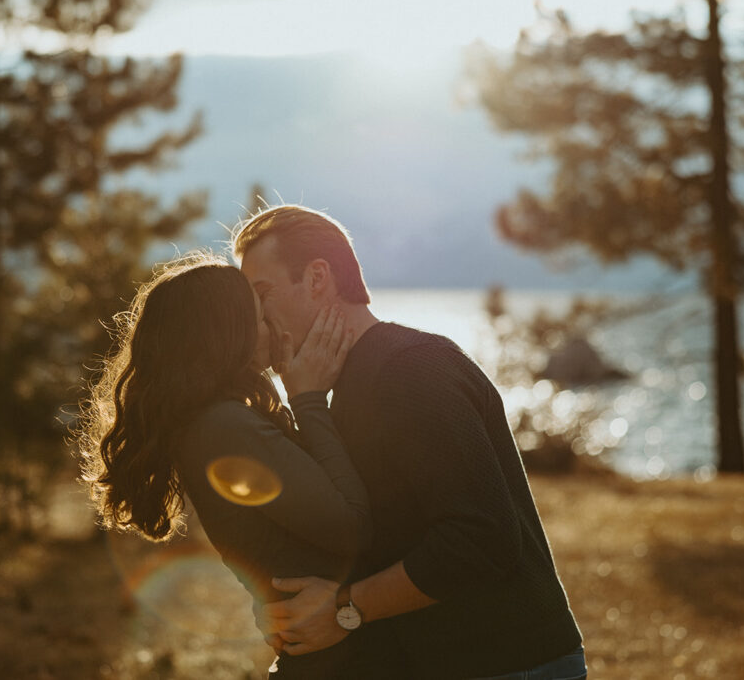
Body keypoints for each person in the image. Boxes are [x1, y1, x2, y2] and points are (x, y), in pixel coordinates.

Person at [233, 205, 587, 679]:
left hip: (510, 662)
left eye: (264, 293)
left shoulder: (413, 370)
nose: (258, 317)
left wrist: (343, 609)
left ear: (317, 278)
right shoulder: (344, 388)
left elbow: (482, 538)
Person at [76, 253, 374, 679]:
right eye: (259, 317)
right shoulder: (224, 427)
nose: (272, 327)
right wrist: (308, 399)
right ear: (228, 336)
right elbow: (352, 527)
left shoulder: (217, 421)